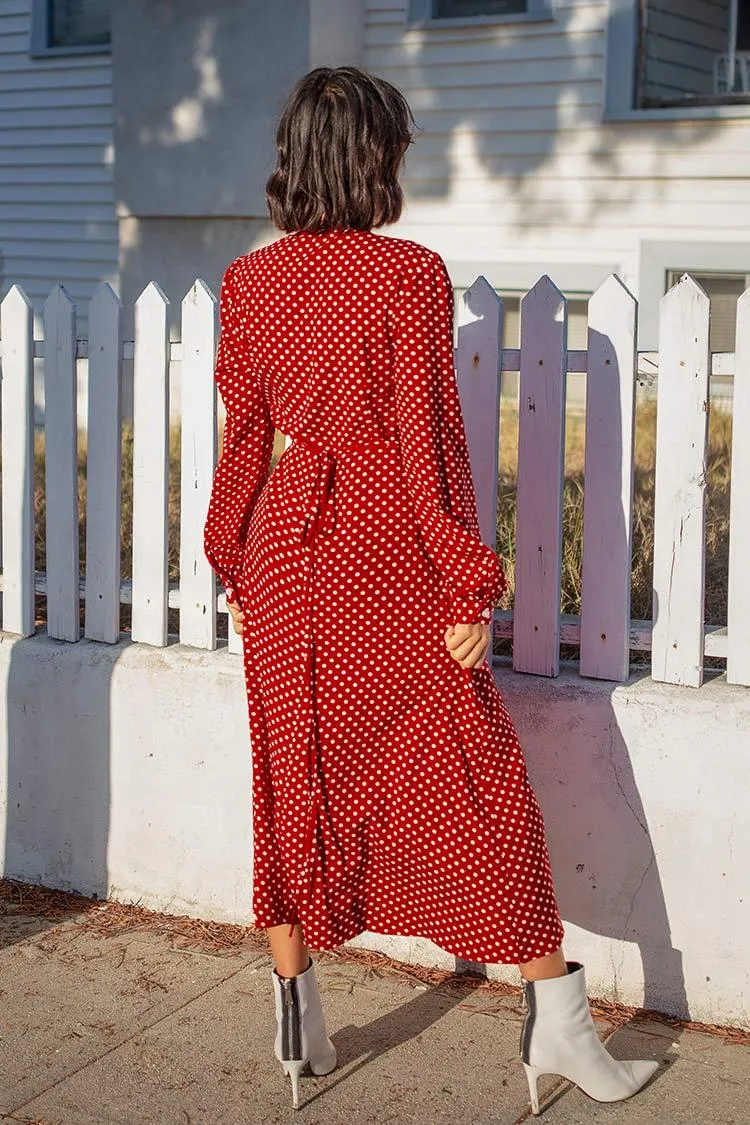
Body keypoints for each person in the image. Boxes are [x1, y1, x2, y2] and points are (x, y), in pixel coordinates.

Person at [203, 65, 658, 1115]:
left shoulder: (248, 283)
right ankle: (559, 1025)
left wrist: (232, 556)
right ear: (376, 157)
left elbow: (243, 445)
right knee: (473, 770)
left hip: (281, 553)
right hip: (378, 548)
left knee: (290, 770)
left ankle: (296, 1021)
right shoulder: (406, 274)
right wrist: (468, 581)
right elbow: (431, 443)